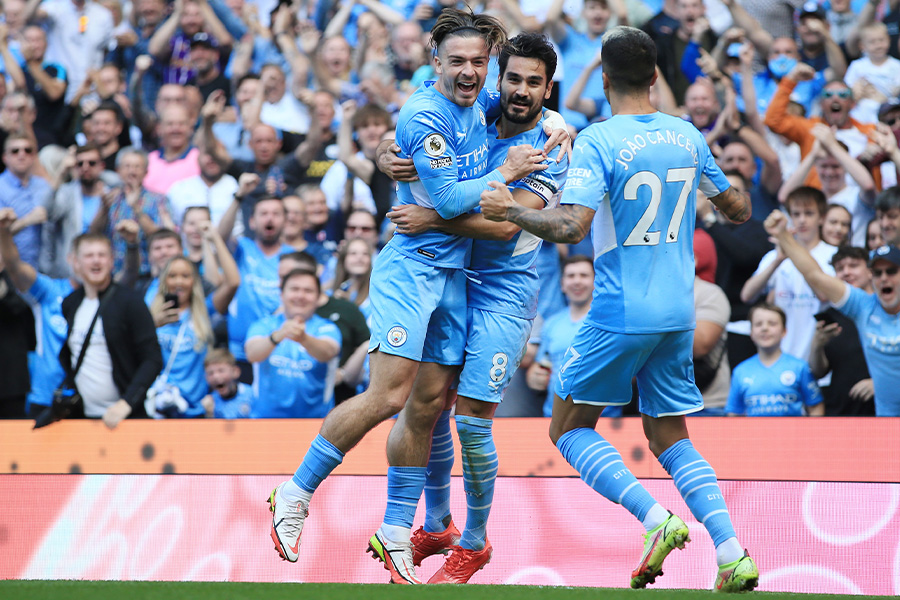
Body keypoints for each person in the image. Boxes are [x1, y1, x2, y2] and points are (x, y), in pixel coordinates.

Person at [266, 8, 560, 585]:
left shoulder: (489, 107)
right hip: (413, 268)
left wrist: (560, 125)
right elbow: (447, 197)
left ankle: (400, 531)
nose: (470, 72)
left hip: (460, 279)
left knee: (428, 408)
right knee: (389, 396)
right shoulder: (428, 114)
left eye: (479, 62)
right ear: (434, 61)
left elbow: (527, 111)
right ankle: (295, 493)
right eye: (458, 62)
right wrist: (503, 167)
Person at [478, 26, 758, 592]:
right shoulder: (687, 135)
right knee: (670, 436)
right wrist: (714, 188)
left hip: (621, 310)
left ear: (603, 79)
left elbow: (570, 226)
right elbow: (738, 209)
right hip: (678, 312)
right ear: (654, 77)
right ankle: (732, 553)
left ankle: (655, 520)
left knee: (567, 428)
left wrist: (511, 211)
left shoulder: (600, 140)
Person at [381, 32, 570, 583]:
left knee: (471, 418)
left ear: (548, 89)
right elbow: (420, 122)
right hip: (450, 278)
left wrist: (432, 217)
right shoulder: (476, 111)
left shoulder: (551, 145)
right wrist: (386, 152)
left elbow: (505, 225)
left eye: (534, 82)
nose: (521, 90)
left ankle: (475, 542)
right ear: (498, 78)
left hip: (504, 295)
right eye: (513, 78)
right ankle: (437, 524)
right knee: (426, 404)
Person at [765, 209, 900, 416]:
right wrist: (783, 235)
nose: (883, 278)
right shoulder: (863, 306)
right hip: (885, 421)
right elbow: (815, 275)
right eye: (877, 272)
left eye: (891, 271)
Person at [58, 232, 162, 427]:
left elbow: (153, 359)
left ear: (112, 261)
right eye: (89, 255)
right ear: (76, 262)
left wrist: (127, 403)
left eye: (102, 255)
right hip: (83, 418)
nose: (96, 261)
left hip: (125, 418)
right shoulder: (70, 303)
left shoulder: (131, 302)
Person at [740, 186, 836, 362]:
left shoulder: (833, 255)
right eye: (796, 214)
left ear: (822, 217)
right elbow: (747, 295)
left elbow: (824, 295)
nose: (802, 220)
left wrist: (794, 251)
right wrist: (778, 260)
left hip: (820, 356)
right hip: (781, 358)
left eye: (809, 213)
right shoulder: (774, 256)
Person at [245, 268, 341, 418]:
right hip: (264, 421)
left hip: (317, 422)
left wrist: (303, 338)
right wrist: (278, 335)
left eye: (308, 291)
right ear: (281, 294)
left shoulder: (328, 328)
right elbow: (252, 354)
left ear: (318, 297)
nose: (300, 296)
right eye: (294, 289)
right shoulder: (263, 325)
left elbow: (328, 352)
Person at [808, 246, 876, 416]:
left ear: (870, 271)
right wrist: (817, 345)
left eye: (853, 266)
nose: (846, 272)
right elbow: (818, 372)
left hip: (883, 410)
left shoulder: (887, 311)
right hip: (842, 411)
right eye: (839, 269)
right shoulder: (830, 317)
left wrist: (879, 384)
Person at [147, 256, 217, 418]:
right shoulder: (150, 312)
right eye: (172, 276)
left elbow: (232, 283)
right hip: (157, 407)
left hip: (194, 408)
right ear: (164, 281)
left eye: (185, 276)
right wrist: (153, 324)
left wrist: (210, 241)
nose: (179, 281)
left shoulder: (204, 312)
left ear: (194, 281)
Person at [726, 303, 824, 417]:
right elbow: (733, 414)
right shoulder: (741, 371)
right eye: (758, 324)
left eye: (772, 324)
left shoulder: (799, 367)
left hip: (792, 429)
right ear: (751, 332)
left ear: (784, 331)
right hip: (754, 430)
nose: (765, 328)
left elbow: (815, 407)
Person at [526, 255, 594, 418]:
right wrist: (534, 377)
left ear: (596, 282)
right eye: (571, 276)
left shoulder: (608, 323)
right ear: (562, 284)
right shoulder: (552, 324)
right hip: (553, 418)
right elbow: (541, 364)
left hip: (601, 419)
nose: (577, 281)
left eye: (584, 275)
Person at [0, 132, 52, 269]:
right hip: (8, 268)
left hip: (41, 268)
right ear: (5, 157)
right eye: (15, 151)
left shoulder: (42, 185)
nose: (21, 155)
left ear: (34, 156)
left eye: (27, 150)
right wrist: (27, 221)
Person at [201, 348, 254, 419]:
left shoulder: (252, 395)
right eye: (210, 373)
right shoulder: (210, 402)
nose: (216, 376)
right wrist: (209, 414)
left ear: (235, 371)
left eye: (221, 371)